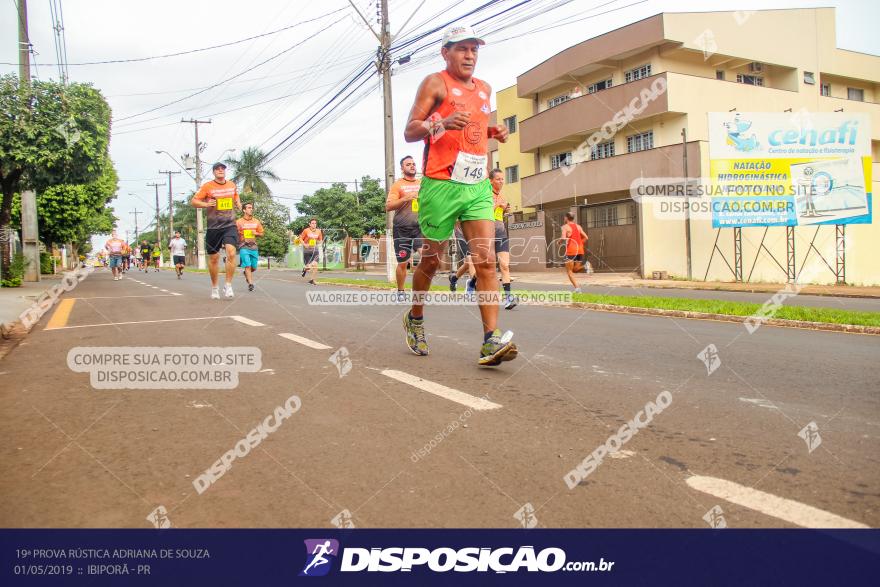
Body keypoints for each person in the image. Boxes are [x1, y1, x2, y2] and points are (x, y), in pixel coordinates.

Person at [402, 24, 516, 366]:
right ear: (445, 52)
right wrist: (442, 123)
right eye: (462, 49)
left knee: (486, 261)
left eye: (474, 49)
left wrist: (493, 131)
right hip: (440, 184)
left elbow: (476, 129)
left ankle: (490, 341)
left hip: (477, 185)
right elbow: (411, 130)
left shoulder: (485, 88)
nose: (469, 55)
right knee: (432, 261)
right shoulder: (435, 83)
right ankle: (416, 317)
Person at [190, 162, 242, 299]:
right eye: (217, 169)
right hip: (214, 227)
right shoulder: (207, 186)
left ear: (225, 171)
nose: (220, 171)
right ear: (213, 172)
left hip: (229, 225)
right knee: (214, 258)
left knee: (231, 253)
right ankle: (214, 287)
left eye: (223, 169)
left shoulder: (231, 185)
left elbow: (235, 195)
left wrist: (238, 203)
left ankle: (228, 285)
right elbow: (194, 201)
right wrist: (206, 204)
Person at [386, 155, 422, 296]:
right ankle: (401, 291)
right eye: (408, 164)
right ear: (402, 168)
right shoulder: (397, 185)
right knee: (403, 263)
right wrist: (406, 197)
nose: (412, 166)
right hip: (402, 229)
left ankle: (418, 289)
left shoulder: (422, 183)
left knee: (426, 258)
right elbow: (388, 206)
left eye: (413, 163)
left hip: (419, 228)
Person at [490, 169, 516, 310]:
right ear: (491, 181)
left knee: (505, 266)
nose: (501, 181)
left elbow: (501, 214)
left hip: (501, 233)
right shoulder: (486, 195)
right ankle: (472, 282)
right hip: (486, 235)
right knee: (486, 269)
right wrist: (497, 205)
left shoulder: (502, 196)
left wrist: (505, 209)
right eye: (498, 179)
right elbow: (484, 212)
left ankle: (508, 298)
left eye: (502, 179)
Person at [236, 202, 264, 292]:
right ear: (244, 210)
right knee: (247, 265)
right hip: (243, 246)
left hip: (254, 247)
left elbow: (262, 233)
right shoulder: (239, 222)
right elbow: (234, 233)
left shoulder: (256, 221)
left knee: (254, 267)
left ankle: (246, 274)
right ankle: (251, 283)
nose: (251, 209)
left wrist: (256, 233)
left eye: (251, 208)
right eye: (249, 208)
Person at [561, 212, 588, 292]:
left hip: (571, 251)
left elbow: (563, 237)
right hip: (580, 250)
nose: (564, 219)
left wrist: (559, 242)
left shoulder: (565, 227)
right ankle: (585, 266)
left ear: (566, 218)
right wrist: (579, 244)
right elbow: (586, 237)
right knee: (575, 269)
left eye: (564, 217)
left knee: (569, 271)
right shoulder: (578, 226)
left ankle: (577, 288)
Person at [448, 222, 475, 292]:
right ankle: (473, 287)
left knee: (467, 264)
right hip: (462, 236)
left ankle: (453, 279)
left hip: (475, 235)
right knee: (470, 261)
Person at [299, 219, 323, 285]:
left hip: (315, 250)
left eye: (315, 223)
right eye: (312, 223)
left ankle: (312, 280)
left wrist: (318, 242)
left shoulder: (318, 231)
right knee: (309, 267)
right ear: (309, 224)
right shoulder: (306, 230)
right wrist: (305, 244)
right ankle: (305, 269)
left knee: (315, 265)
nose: (314, 224)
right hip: (306, 251)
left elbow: (320, 240)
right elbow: (300, 238)